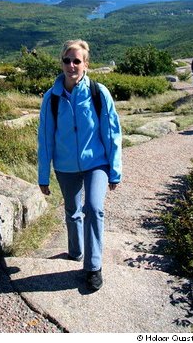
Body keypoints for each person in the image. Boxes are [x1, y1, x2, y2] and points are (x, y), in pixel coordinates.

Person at [38, 39, 122, 291]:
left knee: (94, 208)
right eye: (67, 60)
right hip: (65, 166)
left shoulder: (98, 93)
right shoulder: (51, 98)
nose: (71, 65)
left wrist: (114, 171)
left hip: (96, 163)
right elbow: (45, 138)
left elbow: (112, 133)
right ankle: (75, 251)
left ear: (86, 64)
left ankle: (93, 267)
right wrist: (43, 175)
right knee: (73, 211)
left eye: (77, 60)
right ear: (61, 62)